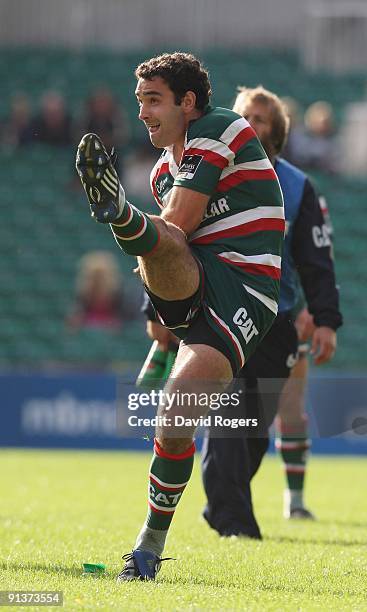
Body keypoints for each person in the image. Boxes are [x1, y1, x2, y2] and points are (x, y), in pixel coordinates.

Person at [75, 52, 285, 580]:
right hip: (194, 282)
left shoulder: (220, 127)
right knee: (156, 243)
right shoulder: (166, 170)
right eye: (139, 101)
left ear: (187, 103)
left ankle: (148, 545)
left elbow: (177, 227)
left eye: (153, 101)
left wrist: (127, 219)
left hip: (245, 290)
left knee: (174, 420)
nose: (143, 113)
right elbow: (167, 249)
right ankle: (118, 213)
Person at [201, 86, 342, 538]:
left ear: (276, 130)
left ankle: (222, 504)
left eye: (260, 118)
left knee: (254, 433)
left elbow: (317, 259)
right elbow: (175, 235)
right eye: (244, 116)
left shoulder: (299, 187)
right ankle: (235, 522)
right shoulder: (209, 174)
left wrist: (325, 319)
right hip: (219, 312)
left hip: (273, 321)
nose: (251, 124)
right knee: (228, 416)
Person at [66, 250, 135, 331]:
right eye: (94, 277)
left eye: (102, 277)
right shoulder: (81, 304)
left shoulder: (124, 303)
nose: (98, 282)